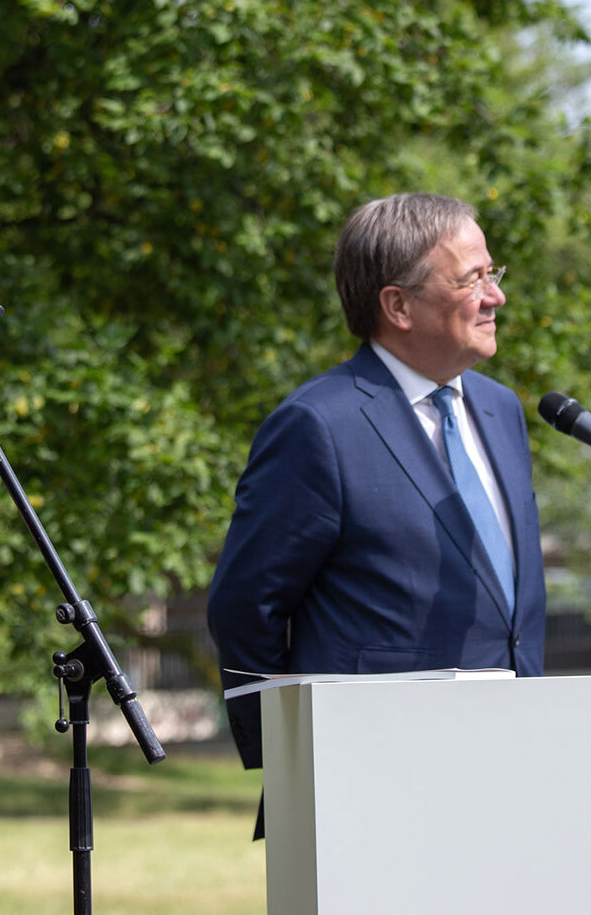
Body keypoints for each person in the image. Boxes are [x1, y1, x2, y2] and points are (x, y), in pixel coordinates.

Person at [206, 194, 546, 806]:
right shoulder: (318, 425)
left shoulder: (501, 410)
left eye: (493, 274)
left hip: (517, 756)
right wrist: (291, 761)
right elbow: (245, 606)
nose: (495, 297)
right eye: (472, 280)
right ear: (398, 305)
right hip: (372, 781)